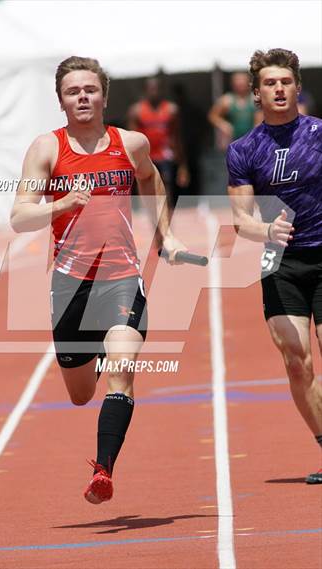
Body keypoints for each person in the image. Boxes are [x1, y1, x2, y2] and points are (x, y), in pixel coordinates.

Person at [11, 56, 186, 503]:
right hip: (70, 286)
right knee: (79, 393)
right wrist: (61, 204)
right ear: (61, 101)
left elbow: (151, 181)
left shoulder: (131, 143)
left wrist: (165, 235)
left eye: (90, 89)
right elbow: (19, 216)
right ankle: (101, 358)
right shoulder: (46, 149)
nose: (83, 97)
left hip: (121, 277)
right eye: (73, 91)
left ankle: (103, 471)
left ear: (105, 96)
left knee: (122, 372)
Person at [227, 48, 322, 484]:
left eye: (285, 81)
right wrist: (263, 232)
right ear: (256, 93)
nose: (279, 89)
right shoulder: (244, 150)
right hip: (279, 260)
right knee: (297, 361)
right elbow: (240, 219)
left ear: (297, 87)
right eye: (270, 83)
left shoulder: (319, 134)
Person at [127, 77, 189, 208]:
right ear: (145, 91)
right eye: (151, 89)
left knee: (166, 186)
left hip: (165, 155)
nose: (154, 92)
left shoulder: (171, 110)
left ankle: (167, 218)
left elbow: (177, 138)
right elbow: (130, 139)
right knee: (146, 187)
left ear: (161, 90)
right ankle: (149, 216)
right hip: (146, 156)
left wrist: (183, 166)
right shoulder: (136, 111)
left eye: (156, 89)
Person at [208, 72, 257, 151]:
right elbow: (212, 116)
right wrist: (223, 125)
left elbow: (261, 118)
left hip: (251, 139)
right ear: (233, 83)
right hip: (233, 138)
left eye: (243, 81)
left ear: (249, 83)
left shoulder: (254, 99)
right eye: (238, 81)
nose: (240, 83)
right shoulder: (227, 99)